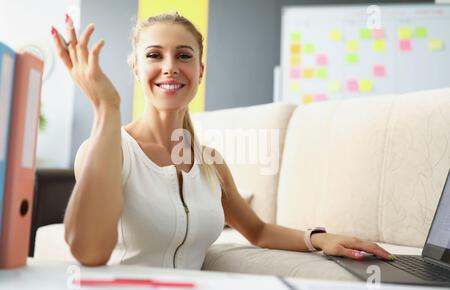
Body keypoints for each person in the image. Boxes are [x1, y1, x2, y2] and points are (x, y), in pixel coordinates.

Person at [51, 12, 394, 268]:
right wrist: (107, 108)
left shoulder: (210, 162)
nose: (170, 66)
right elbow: (90, 252)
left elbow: (256, 230)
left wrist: (321, 238)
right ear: (136, 69)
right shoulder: (107, 150)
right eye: (154, 55)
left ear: (200, 71)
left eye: (184, 55)